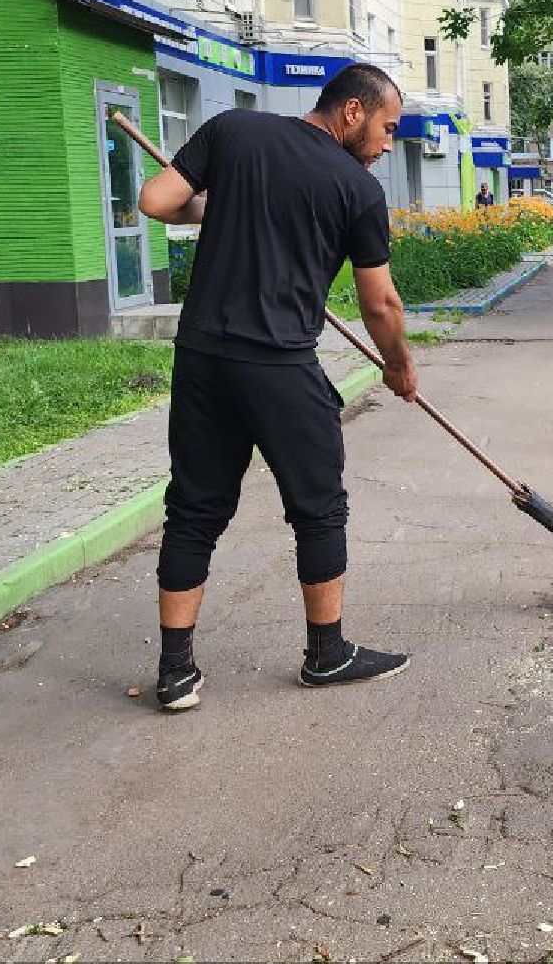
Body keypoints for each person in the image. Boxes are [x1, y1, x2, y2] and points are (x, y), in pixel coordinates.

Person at [135, 63, 419, 712]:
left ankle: (175, 673)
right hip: (280, 364)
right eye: (385, 129)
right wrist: (397, 365)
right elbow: (381, 306)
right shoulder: (355, 189)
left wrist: (213, 204)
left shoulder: (234, 131)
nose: (383, 145)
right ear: (352, 112)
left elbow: (156, 202)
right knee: (319, 509)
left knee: (195, 509)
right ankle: (327, 654)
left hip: (203, 355)